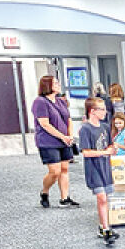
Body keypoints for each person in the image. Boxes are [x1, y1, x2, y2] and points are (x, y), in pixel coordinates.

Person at [33, 75, 78, 208]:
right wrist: (62, 137)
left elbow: (68, 120)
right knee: (55, 172)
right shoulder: (40, 102)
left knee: (64, 168)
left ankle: (65, 198)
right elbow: (45, 124)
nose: (59, 84)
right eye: (55, 83)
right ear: (47, 85)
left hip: (64, 140)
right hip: (48, 141)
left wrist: (70, 135)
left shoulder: (61, 101)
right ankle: (44, 192)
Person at [78, 97, 119, 242]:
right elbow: (86, 152)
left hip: (105, 167)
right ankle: (106, 230)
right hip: (94, 168)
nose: (105, 112)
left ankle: (103, 226)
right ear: (92, 111)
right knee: (101, 197)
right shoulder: (85, 129)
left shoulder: (105, 127)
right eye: (101, 109)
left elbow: (109, 145)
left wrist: (112, 149)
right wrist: (105, 152)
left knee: (105, 198)